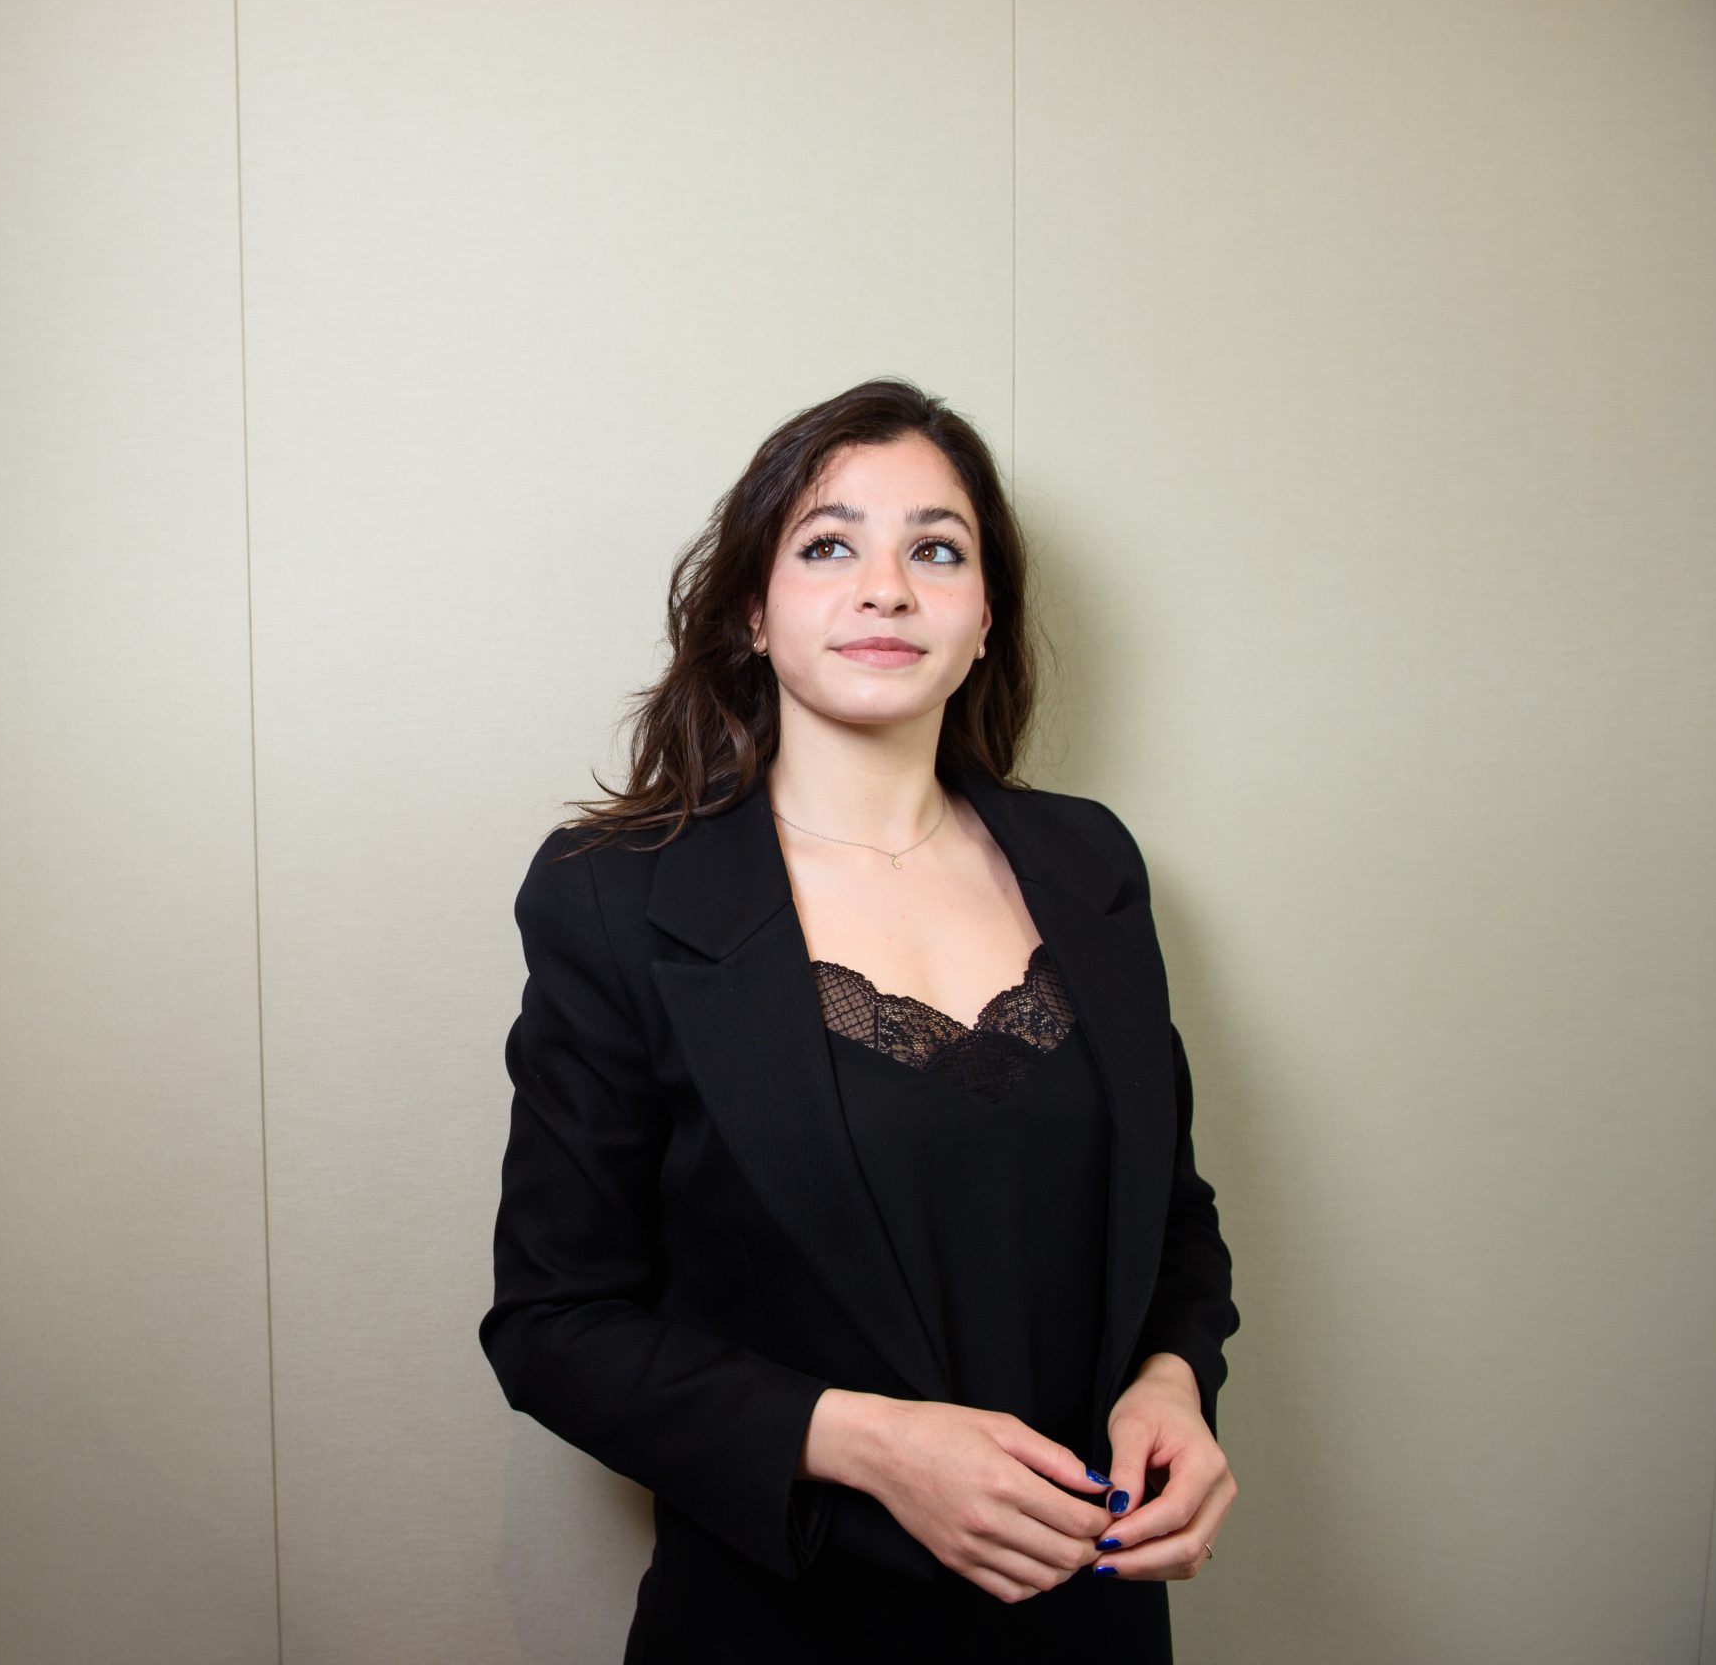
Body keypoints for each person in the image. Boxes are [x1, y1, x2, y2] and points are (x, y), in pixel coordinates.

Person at [478, 377, 1240, 1662]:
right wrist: (867, 1443)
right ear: (752, 613)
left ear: (984, 618)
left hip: (1090, 1617)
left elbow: (1172, 1221)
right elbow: (554, 1327)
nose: (885, 588)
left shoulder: (1091, 865)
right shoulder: (612, 897)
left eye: (935, 551)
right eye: (828, 546)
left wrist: (1174, 1382)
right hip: (787, 1625)